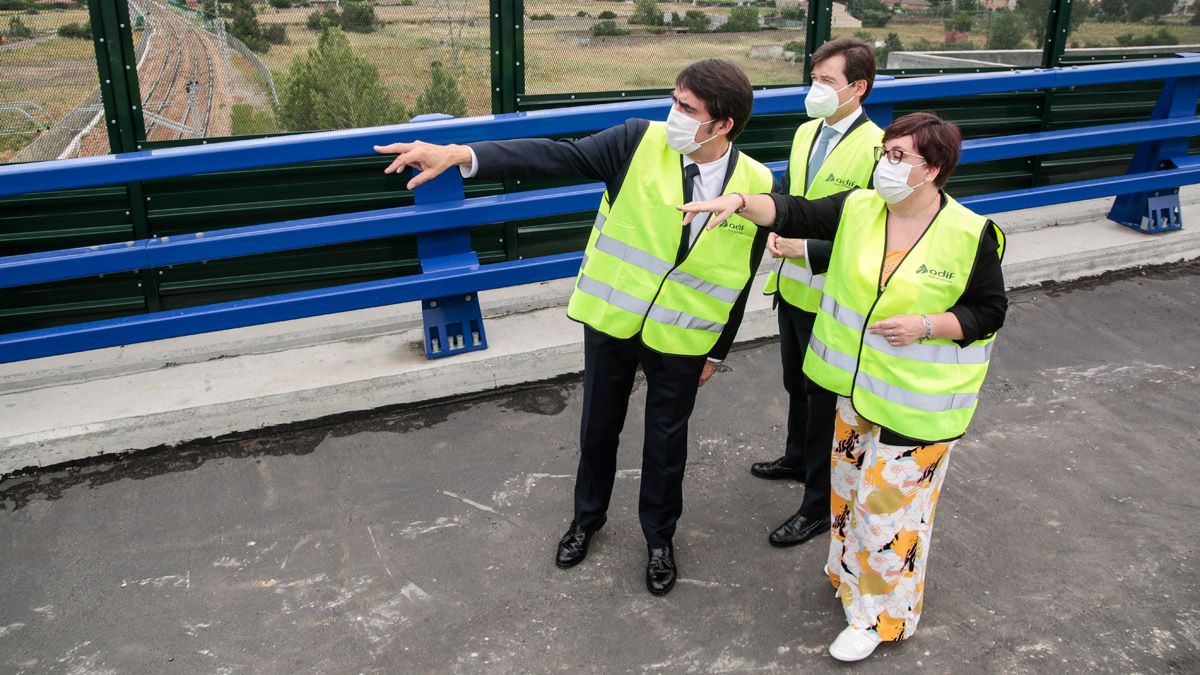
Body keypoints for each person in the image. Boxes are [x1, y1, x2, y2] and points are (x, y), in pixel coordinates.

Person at [374, 59, 776, 596]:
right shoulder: (637, 142)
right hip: (614, 320)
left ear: (722, 124)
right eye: (673, 101)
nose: (671, 114)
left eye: (686, 108)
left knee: (666, 442)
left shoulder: (755, 183)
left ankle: (659, 539)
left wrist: (717, 352)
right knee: (598, 427)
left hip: (684, 335)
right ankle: (586, 520)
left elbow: (741, 274)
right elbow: (553, 155)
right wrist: (461, 155)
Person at [678, 111, 1006, 661]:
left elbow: (989, 312)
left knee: (889, 513)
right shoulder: (861, 207)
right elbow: (794, 210)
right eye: (886, 154)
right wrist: (740, 201)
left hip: (917, 405)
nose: (887, 166)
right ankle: (850, 576)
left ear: (935, 169)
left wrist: (926, 325)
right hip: (857, 392)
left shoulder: (970, 233)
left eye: (900, 158)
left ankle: (879, 620)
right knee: (850, 495)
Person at [753, 38, 884, 550]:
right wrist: (775, 228)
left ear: (859, 88)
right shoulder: (808, 131)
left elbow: (869, 233)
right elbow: (791, 191)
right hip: (791, 286)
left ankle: (816, 503)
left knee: (822, 398)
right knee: (795, 383)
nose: (816, 90)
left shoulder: (878, 148)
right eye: (814, 79)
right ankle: (795, 457)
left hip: (830, 292)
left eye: (827, 82)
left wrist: (804, 250)